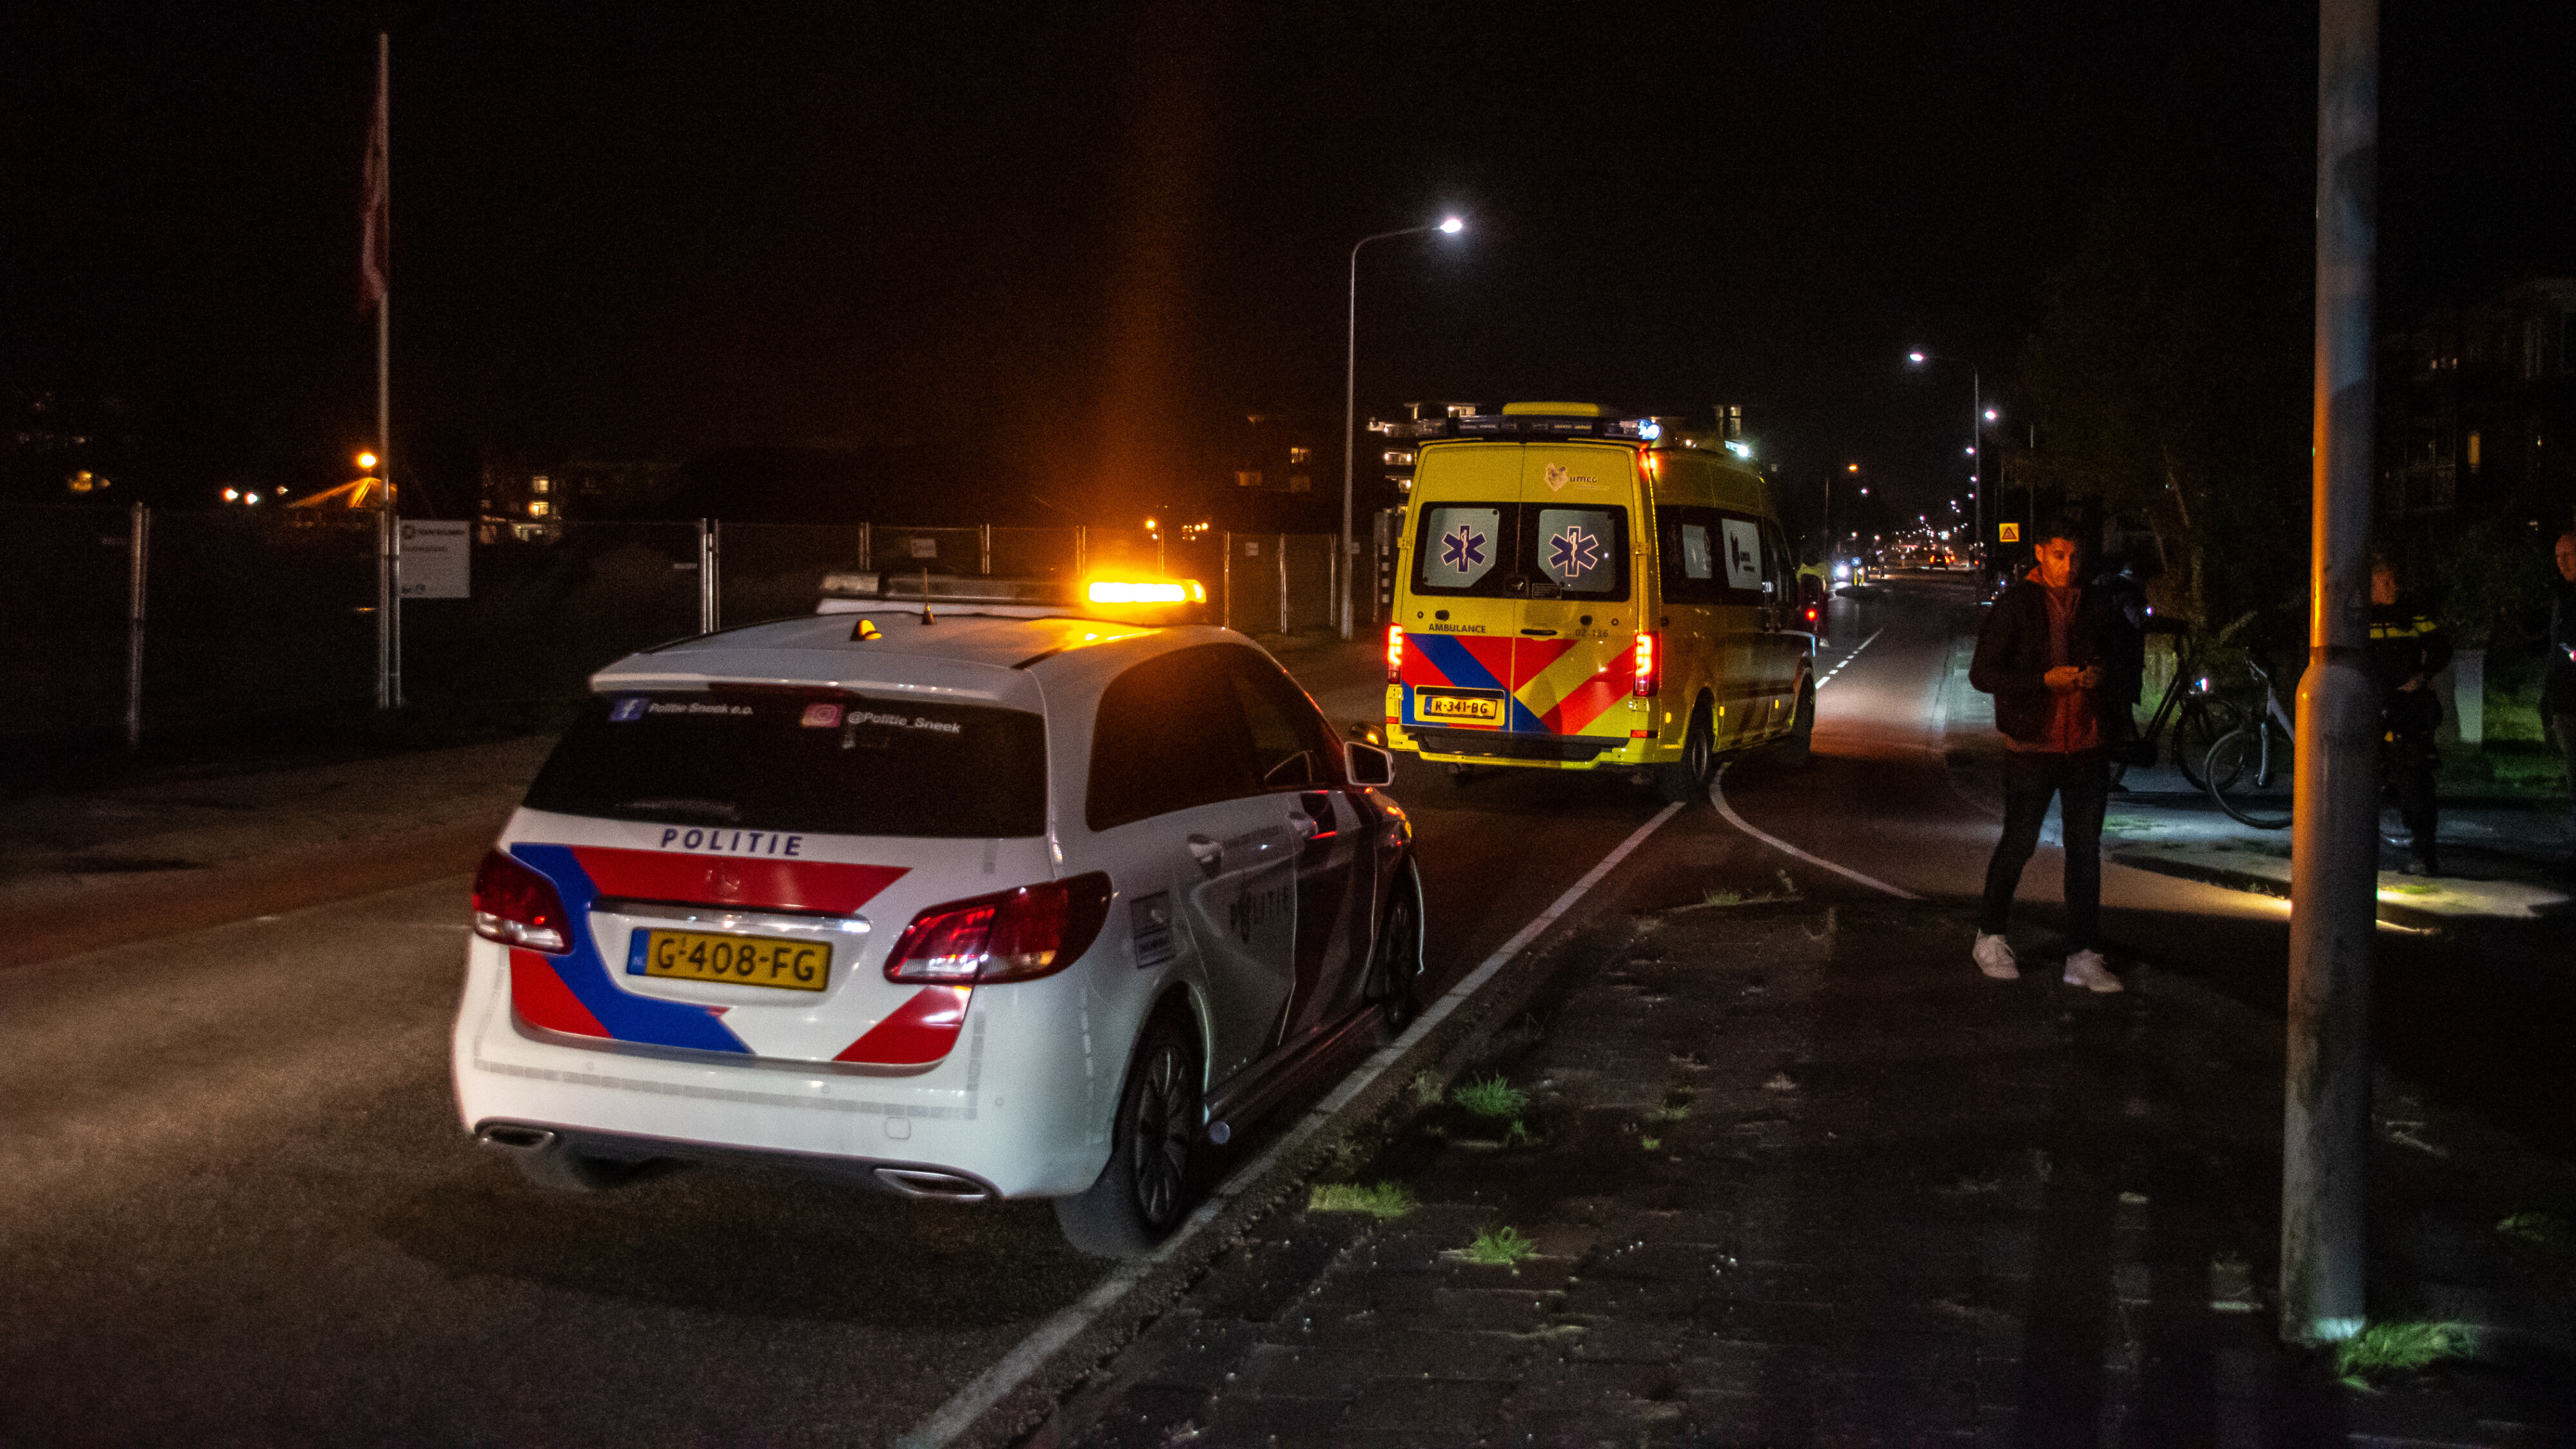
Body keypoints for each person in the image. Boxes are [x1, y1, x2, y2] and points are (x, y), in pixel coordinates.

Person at [1967, 518, 2134, 992]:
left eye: (2075, 556)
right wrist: (2043, 680)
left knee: (2084, 851)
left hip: (2086, 745)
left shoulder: (2095, 602)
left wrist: (2101, 675)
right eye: (2059, 555)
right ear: (2041, 552)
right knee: (2018, 842)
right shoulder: (2017, 603)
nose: (2068, 566)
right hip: (2031, 746)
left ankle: (2083, 953)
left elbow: (2122, 655)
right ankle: (1990, 934)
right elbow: (1983, 673)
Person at [2368, 557, 2451, 876]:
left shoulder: (2412, 614)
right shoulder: (2361, 619)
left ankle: (2424, 853)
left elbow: (2442, 648)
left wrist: (2423, 677)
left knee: (2415, 784)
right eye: (2385, 583)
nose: (2393, 588)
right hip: (2374, 711)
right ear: (2371, 586)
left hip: (2408, 711)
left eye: (2394, 581)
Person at [2544, 529, 2576, 866]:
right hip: (2564, 701)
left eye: (2569, 555)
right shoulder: (2562, 597)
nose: (2562, 563)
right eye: (2558, 556)